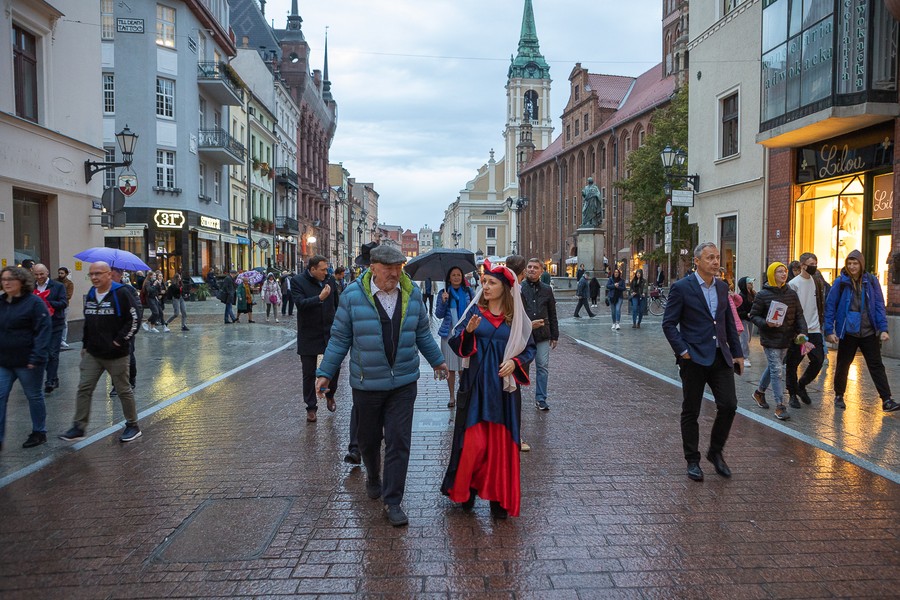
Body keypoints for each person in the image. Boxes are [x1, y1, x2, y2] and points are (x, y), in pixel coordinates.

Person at [314, 245, 448, 527]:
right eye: (388, 269)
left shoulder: (411, 294)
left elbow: (422, 333)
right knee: (368, 439)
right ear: (373, 268)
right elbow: (340, 338)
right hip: (367, 384)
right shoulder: (352, 296)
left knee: (399, 440)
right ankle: (373, 474)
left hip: (403, 382)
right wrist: (326, 372)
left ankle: (393, 501)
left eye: (398, 268)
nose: (394, 274)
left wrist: (438, 361)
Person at [441, 259, 535, 518]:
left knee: (500, 445)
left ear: (505, 288)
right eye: (484, 282)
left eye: (492, 283)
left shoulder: (515, 319)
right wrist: (469, 332)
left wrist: (515, 363)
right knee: (474, 444)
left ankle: (498, 497)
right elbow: (457, 343)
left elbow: (529, 348)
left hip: (502, 392)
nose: (486, 286)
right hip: (476, 386)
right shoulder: (474, 313)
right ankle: (467, 488)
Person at [662, 242, 743, 482]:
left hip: (720, 356)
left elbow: (727, 321)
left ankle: (715, 451)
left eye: (717, 257)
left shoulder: (722, 287)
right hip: (694, 358)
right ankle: (692, 460)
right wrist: (683, 351)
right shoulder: (681, 288)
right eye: (710, 258)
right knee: (691, 410)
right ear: (697, 261)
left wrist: (737, 352)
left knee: (729, 405)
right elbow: (668, 324)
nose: (716, 262)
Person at [59, 261, 141, 443]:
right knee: (84, 387)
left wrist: (119, 341)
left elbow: (134, 320)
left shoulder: (122, 293)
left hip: (116, 353)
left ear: (109, 274)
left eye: (98, 273)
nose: (94, 277)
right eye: (91, 274)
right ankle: (79, 426)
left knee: (123, 390)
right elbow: (89, 321)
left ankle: (132, 425)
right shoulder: (91, 293)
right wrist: (85, 344)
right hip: (93, 352)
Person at [823, 250, 899, 412]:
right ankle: (839, 395)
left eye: (855, 263)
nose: (852, 266)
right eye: (849, 263)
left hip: (868, 331)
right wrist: (829, 330)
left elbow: (879, 305)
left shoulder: (870, 281)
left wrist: (883, 328)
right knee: (843, 364)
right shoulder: (840, 282)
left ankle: (887, 400)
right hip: (848, 331)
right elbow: (830, 306)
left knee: (876, 365)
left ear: (861, 264)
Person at [748, 262, 808, 421]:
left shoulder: (791, 294)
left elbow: (799, 315)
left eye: (784, 271)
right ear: (771, 275)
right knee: (777, 370)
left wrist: (803, 333)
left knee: (774, 367)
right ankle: (780, 405)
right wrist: (766, 323)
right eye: (779, 271)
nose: (783, 274)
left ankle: (759, 392)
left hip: (787, 338)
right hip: (770, 338)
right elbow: (753, 315)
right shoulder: (762, 295)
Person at [0, 266, 51, 449]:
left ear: (21, 281)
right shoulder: (1, 302)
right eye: (4, 279)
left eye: (10, 279)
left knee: (34, 396)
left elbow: (44, 330)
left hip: (28, 361)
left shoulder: (34, 303)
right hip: (4, 360)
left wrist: (36, 356)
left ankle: (39, 432)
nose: (6, 283)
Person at [292, 256, 341, 423]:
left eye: (327, 269)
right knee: (308, 372)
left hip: (329, 332)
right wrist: (319, 298)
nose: (326, 273)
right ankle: (311, 407)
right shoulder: (298, 281)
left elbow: (336, 304)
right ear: (312, 269)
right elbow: (300, 304)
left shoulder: (330, 280)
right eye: (323, 270)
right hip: (308, 333)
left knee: (334, 367)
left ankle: (330, 394)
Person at [785, 253, 825, 408]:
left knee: (818, 360)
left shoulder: (817, 281)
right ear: (802, 265)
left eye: (815, 263)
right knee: (793, 362)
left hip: (814, 328)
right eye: (811, 264)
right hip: (800, 330)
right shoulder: (793, 284)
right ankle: (792, 394)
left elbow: (820, 302)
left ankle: (801, 385)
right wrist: (794, 330)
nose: (814, 266)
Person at [435, 266, 475, 409]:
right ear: (449, 278)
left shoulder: (469, 292)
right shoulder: (443, 293)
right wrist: (443, 302)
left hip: (465, 332)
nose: (456, 277)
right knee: (450, 368)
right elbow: (438, 314)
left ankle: (462, 393)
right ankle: (452, 395)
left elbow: (475, 310)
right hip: (449, 334)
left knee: (464, 367)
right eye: (453, 275)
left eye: (459, 274)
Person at [522, 258, 558, 411]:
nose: (532, 269)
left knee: (542, 366)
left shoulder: (547, 289)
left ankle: (541, 398)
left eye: (535, 267)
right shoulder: (519, 288)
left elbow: (552, 313)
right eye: (530, 267)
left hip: (543, 333)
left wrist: (555, 335)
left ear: (541, 271)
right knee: (521, 366)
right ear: (525, 269)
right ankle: (515, 396)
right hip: (524, 334)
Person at [31, 264, 67, 393]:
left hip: (55, 324)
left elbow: (63, 303)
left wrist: (47, 303)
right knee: (43, 353)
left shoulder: (58, 286)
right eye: (36, 274)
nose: (39, 277)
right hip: (38, 326)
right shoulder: (31, 287)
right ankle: (53, 377)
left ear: (47, 272)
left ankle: (50, 380)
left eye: (42, 274)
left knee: (52, 353)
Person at [110, 267, 141, 396]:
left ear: (120, 275)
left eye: (112, 275)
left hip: (126, 329)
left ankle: (131, 379)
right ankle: (116, 384)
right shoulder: (103, 290)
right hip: (111, 331)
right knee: (114, 357)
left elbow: (137, 310)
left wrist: (130, 329)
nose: (110, 278)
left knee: (128, 354)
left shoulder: (129, 290)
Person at [736, 277, 756, 367]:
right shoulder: (741, 296)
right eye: (749, 283)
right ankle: (744, 357)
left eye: (751, 283)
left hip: (750, 319)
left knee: (748, 338)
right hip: (743, 320)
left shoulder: (753, 294)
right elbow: (738, 311)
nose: (751, 284)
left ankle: (743, 355)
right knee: (744, 338)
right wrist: (746, 314)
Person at [56, 267, 74, 349]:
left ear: (66, 274)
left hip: (64, 305)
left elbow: (69, 295)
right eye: (59, 273)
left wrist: (58, 298)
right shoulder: (55, 281)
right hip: (55, 305)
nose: (60, 275)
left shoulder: (69, 283)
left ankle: (63, 340)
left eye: (62, 273)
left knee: (64, 322)